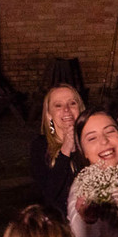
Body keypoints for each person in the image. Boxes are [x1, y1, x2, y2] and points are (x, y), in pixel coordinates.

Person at [29, 84, 85, 214]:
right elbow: (48, 194)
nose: (66, 109)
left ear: (80, 109)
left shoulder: (90, 143)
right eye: (58, 105)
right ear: (49, 115)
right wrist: (65, 150)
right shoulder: (40, 146)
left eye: (72, 103)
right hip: (60, 223)